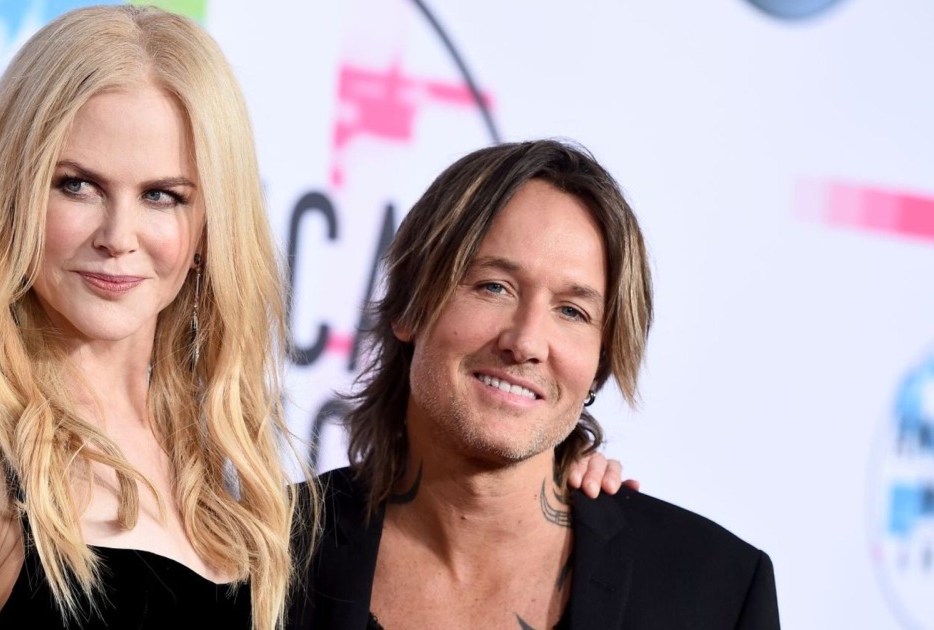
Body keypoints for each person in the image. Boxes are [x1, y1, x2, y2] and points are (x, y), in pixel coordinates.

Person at [0, 6, 303, 629]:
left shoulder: (216, 483)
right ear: (15, 197)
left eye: (161, 196)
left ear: (207, 231)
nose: (118, 236)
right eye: (78, 185)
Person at [289, 140, 781, 629]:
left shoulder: (716, 592)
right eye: (494, 287)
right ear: (409, 306)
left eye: (572, 311)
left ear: (601, 361)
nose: (525, 342)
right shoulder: (268, 554)